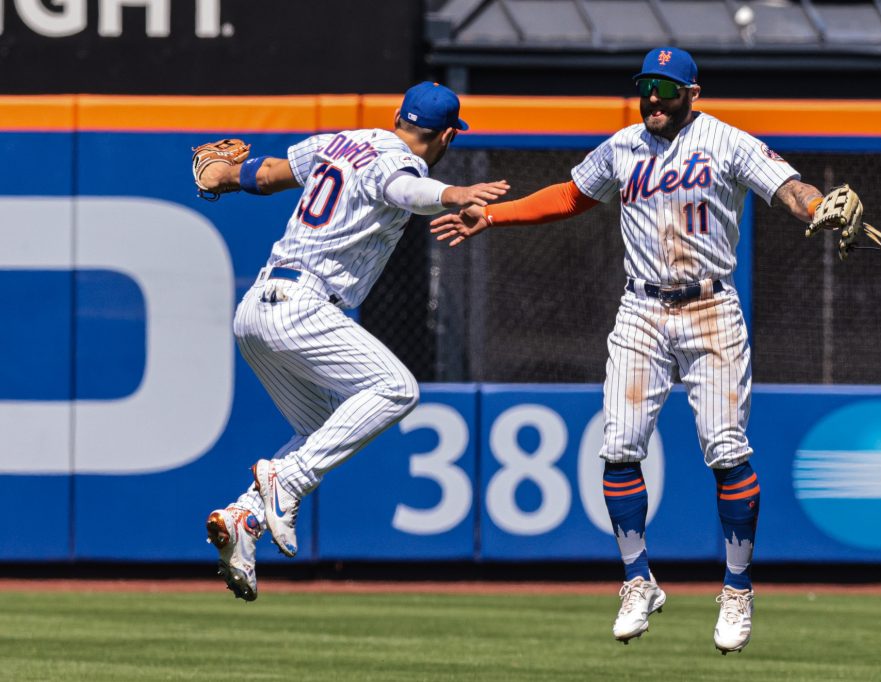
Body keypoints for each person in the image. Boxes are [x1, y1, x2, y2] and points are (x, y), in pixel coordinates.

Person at [430, 47, 844, 653]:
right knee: (619, 446)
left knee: (727, 451)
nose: (653, 97)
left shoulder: (726, 142)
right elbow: (571, 196)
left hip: (709, 308)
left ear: (692, 93)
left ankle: (736, 589)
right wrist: (494, 217)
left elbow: (789, 187)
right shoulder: (623, 146)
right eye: (646, 86)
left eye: (666, 88)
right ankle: (636, 579)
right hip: (642, 308)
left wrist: (816, 207)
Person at [198, 81, 509, 602]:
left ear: (398, 117)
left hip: (256, 308)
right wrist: (454, 194)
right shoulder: (400, 163)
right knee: (398, 390)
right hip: (303, 306)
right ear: (449, 135)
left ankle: (244, 517)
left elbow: (270, 174)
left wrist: (228, 174)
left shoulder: (340, 140)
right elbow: (406, 191)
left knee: (326, 430)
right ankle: (286, 483)